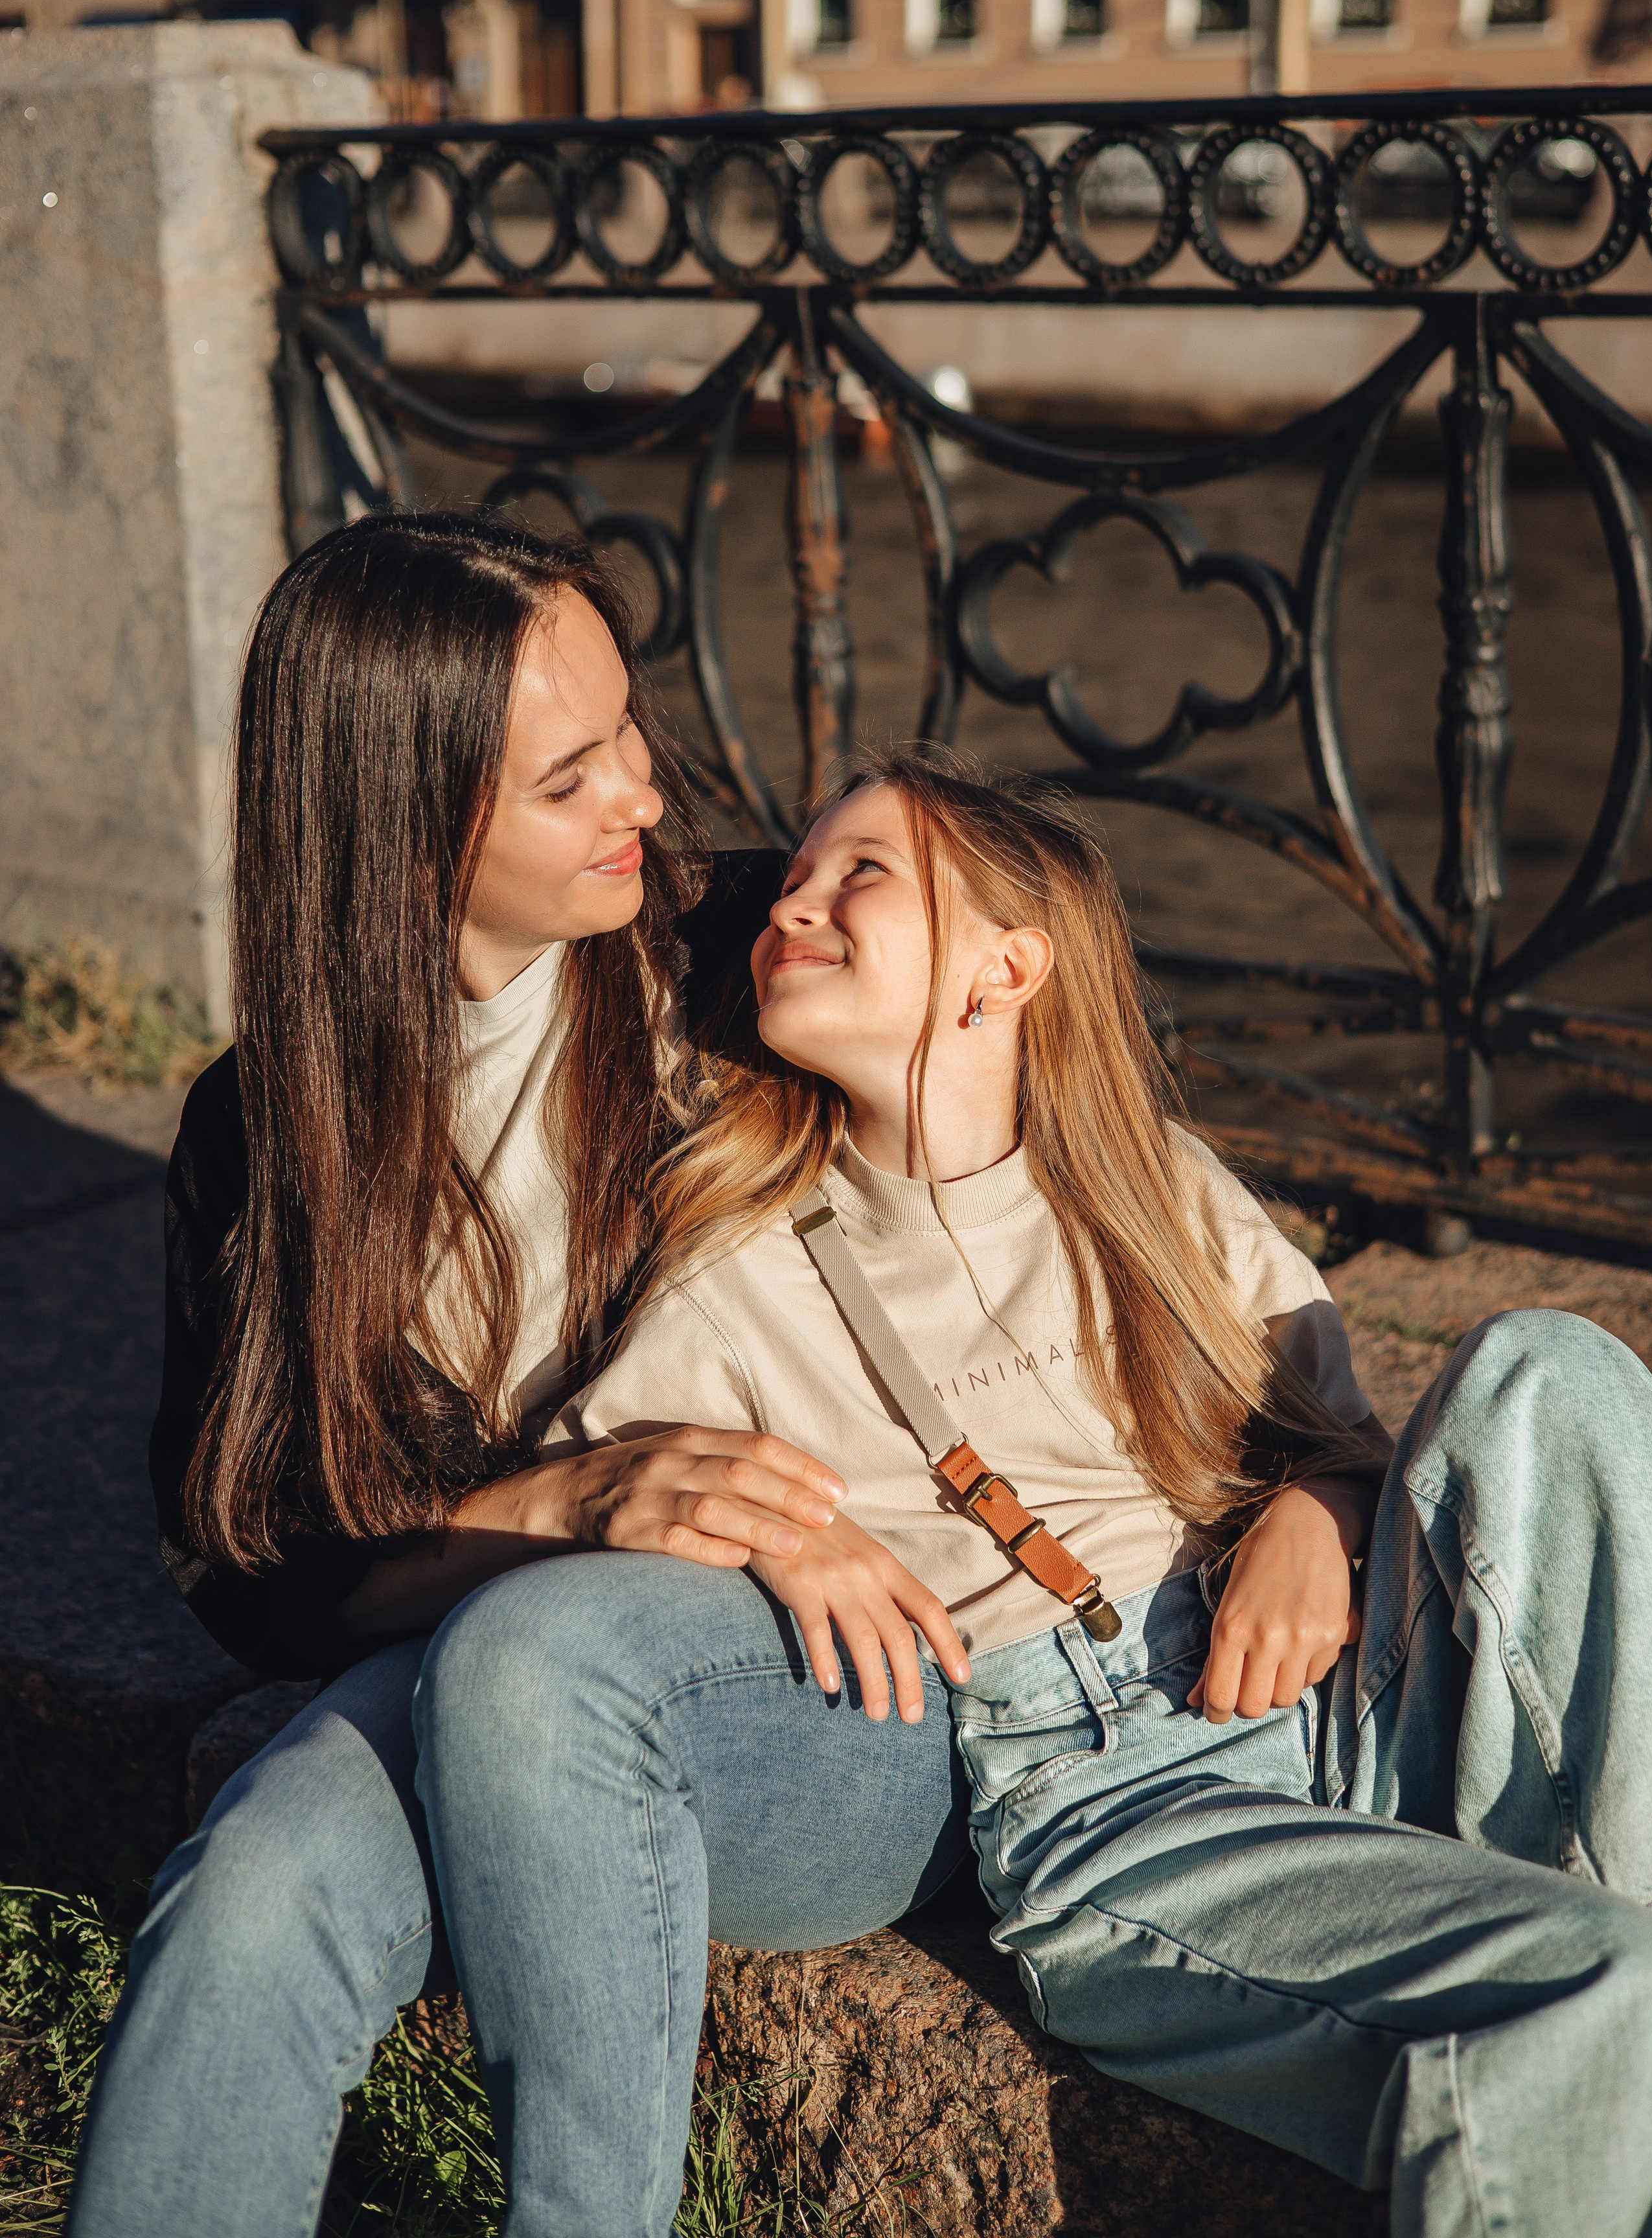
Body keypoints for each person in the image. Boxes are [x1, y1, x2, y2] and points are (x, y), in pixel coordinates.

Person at [422, 746, 1652, 2238]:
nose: (790, 903)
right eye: (793, 879)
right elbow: (589, 1507)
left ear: (1006, 967)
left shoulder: (1157, 1185)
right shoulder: (735, 1268)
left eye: (856, 872)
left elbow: (1348, 1444)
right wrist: (766, 1538)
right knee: (1608, 1994)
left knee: (1542, 1364)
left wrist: (1315, 1515)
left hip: (1342, 1686)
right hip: (1124, 1793)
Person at [67, 518, 966, 2238]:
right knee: (254, 1891)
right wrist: (559, 1502)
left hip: (850, 1680)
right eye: (571, 778)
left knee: (534, 1660)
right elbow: (260, 1562)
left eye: (627, 726)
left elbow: (1083, 1182)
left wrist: (1319, 1472)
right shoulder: (260, 1130)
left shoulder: (747, 961)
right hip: (493, 1678)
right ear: (407, 833)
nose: (642, 790)